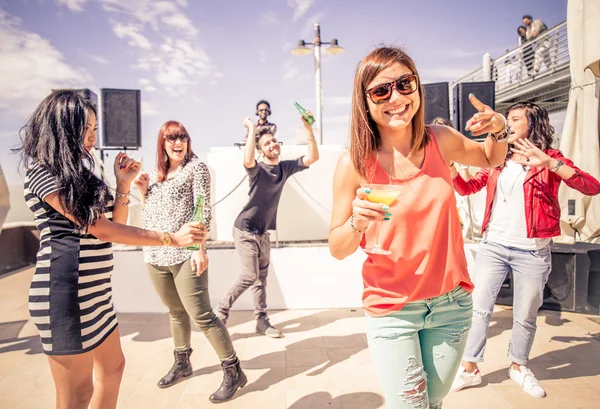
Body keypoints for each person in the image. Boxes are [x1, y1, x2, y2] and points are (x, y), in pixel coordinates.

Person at [328, 46, 509, 409]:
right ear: (364, 101)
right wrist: (356, 222)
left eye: (405, 84)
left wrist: (500, 128)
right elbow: (338, 246)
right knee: (410, 405)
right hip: (392, 309)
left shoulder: (439, 141)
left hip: (451, 304)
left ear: (417, 88)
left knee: (433, 402)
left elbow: (491, 157)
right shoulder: (355, 162)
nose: (396, 97)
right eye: (381, 90)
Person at [18, 90, 204, 409]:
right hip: (65, 294)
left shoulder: (83, 175)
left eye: (94, 129)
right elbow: (100, 228)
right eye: (85, 129)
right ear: (62, 128)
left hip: (96, 293)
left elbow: (110, 231)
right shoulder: (42, 172)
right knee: (77, 396)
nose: (92, 137)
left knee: (114, 370)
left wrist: (123, 186)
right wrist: (170, 238)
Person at [450, 101, 600, 398]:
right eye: (508, 118)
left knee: (525, 314)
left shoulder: (551, 158)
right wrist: (452, 166)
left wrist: (549, 164)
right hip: (493, 246)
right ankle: (470, 369)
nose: (508, 122)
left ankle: (518, 366)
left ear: (533, 124)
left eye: (515, 119)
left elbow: (591, 187)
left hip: (532, 250)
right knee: (478, 309)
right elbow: (467, 188)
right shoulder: (498, 159)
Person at [133, 121, 246, 403]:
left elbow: (201, 209)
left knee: (202, 315)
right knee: (175, 312)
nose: (177, 142)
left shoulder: (196, 168)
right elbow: (153, 214)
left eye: (182, 137)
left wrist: (200, 248)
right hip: (156, 254)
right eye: (171, 138)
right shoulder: (156, 176)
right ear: (162, 143)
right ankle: (183, 363)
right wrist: (143, 192)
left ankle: (233, 370)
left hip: (185, 254)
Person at [216, 113, 320, 337]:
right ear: (260, 150)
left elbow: (312, 158)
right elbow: (247, 160)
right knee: (249, 276)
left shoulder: (285, 168)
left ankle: (261, 321)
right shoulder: (257, 170)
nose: (272, 144)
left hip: (263, 232)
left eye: (274, 141)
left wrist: (308, 129)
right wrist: (252, 130)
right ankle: (221, 311)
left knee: (261, 279)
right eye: (267, 143)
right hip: (244, 230)